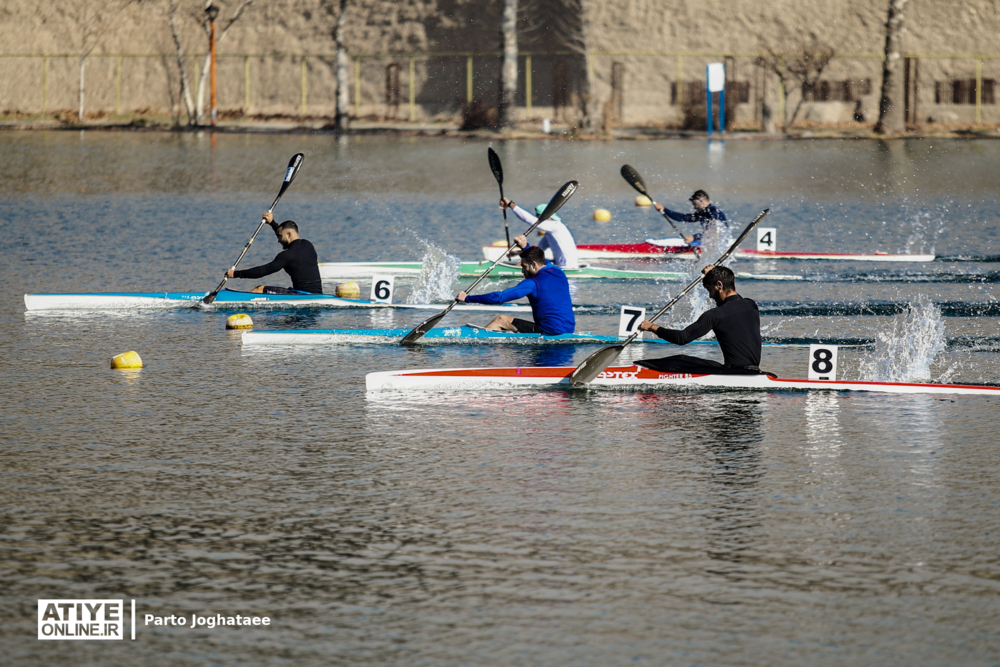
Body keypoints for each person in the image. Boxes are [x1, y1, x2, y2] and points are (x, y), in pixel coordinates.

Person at [635, 265, 762, 374]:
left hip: (734, 373)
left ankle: (636, 370)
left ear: (719, 285)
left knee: (678, 360)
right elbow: (733, 303)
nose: (710, 296)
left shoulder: (714, 315)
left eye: (709, 290)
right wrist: (713, 274)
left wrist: (651, 327)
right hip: (753, 371)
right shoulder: (751, 305)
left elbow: (681, 338)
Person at [457, 246, 575, 335]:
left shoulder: (532, 283)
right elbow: (541, 260)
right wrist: (525, 246)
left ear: (533, 264)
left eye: (524, 266)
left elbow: (499, 297)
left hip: (549, 331)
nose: (522, 271)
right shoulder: (558, 271)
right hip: (569, 328)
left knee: (501, 320)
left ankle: (482, 350)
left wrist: (467, 298)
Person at [225, 211, 322, 294]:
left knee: (259, 290)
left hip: (300, 295)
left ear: (289, 234)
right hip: (317, 294)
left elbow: (262, 271)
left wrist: (235, 274)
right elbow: (285, 236)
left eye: (280, 237)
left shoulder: (286, 256)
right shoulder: (308, 245)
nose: (278, 240)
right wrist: (272, 222)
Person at [499, 196, 580, 269]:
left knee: (527, 263)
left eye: (538, 217)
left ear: (546, 216)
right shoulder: (550, 233)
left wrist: (511, 205)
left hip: (568, 267)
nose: (538, 220)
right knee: (528, 261)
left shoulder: (556, 226)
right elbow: (538, 250)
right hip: (560, 266)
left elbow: (530, 220)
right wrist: (517, 253)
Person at [654, 189, 728, 247]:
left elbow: (713, 232)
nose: (694, 207)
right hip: (709, 240)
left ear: (701, 201)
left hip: (719, 242)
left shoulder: (714, 212)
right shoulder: (703, 212)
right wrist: (664, 209)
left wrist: (694, 237)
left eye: (695, 204)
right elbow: (682, 217)